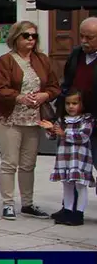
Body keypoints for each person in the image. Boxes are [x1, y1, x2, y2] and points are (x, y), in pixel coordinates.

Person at [0, 21, 59, 221]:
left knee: (29, 164)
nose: (31, 39)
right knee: (9, 162)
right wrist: (19, 97)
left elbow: (55, 86)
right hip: (10, 117)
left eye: (34, 36)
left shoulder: (42, 60)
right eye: (26, 35)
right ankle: (8, 203)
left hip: (33, 119)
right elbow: (0, 89)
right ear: (16, 38)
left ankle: (27, 204)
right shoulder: (5, 61)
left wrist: (45, 95)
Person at [43, 91, 93, 226]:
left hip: (80, 159)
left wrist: (64, 133)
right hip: (64, 159)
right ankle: (68, 210)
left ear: (82, 104)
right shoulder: (62, 120)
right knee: (67, 184)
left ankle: (79, 213)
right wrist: (50, 129)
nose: (71, 106)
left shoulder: (86, 119)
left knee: (80, 186)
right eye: (68, 103)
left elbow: (83, 136)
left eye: (75, 103)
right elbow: (53, 137)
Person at [58, 16, 97, 161]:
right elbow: (67, 82)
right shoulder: (76, 54)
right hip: (76, 118)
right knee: (75, 162)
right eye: (82, 36)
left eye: (90, 37)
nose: (84, 41)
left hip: (95, 116)